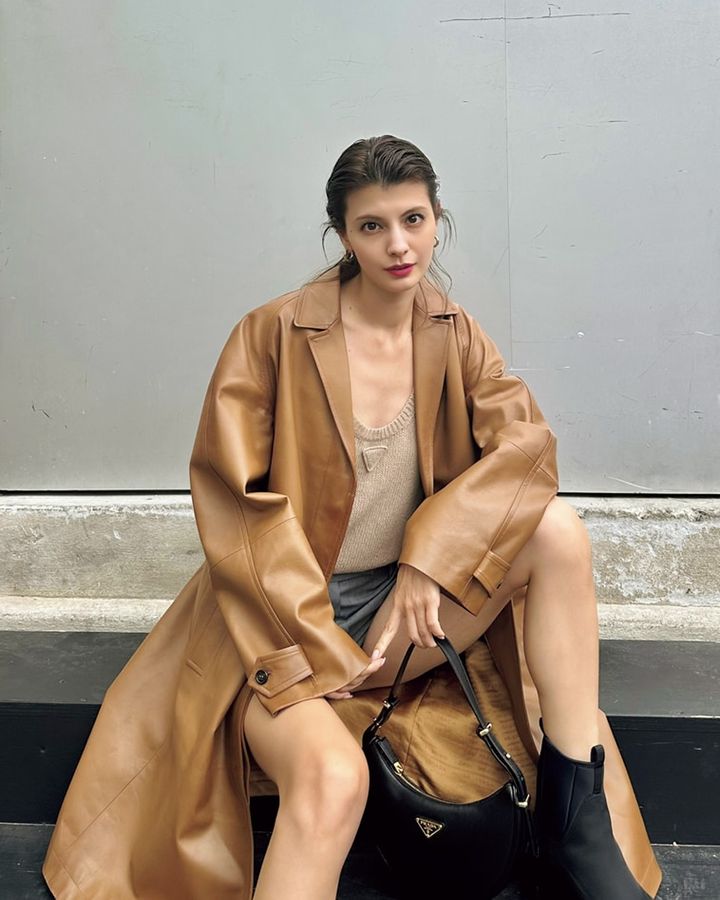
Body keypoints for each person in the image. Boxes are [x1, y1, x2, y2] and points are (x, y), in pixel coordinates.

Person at [42, 135, 661, 900]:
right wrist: (317, 649)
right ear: (342, 235)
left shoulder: (454, 333)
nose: (398, 245)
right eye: (373, 226)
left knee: (557, 532)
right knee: (333, 782)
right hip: (279, 623)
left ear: (437, 220)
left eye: (413, 220)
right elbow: (236, 509)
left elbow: (528, 455)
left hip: (400, 613)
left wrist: (427, 558)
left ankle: (576, 824)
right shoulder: (271, 335)